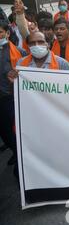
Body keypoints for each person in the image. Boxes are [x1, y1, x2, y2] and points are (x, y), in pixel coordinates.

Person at [0, 20, 26, 177]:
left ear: (7, 33)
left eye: (0, 32)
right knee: (3, 132)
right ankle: (15, 151)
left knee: (14, 129)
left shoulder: (19, 52)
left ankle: (20, 155)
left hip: (11, 98)